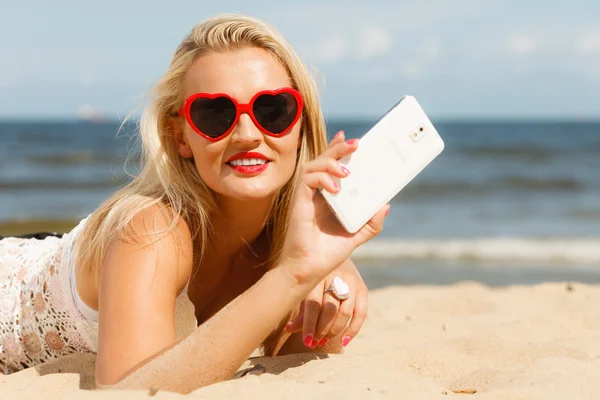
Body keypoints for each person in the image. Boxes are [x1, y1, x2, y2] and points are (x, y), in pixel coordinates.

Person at [0, 14, 389, 393]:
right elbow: (126, 391)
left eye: (273, 109)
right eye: (215, 114)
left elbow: (293, 375)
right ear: (181, 136)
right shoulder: (151, 230)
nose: (247, 134)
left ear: (301, 126)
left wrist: (327, 262)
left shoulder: (293, 245)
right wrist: (294, 275)